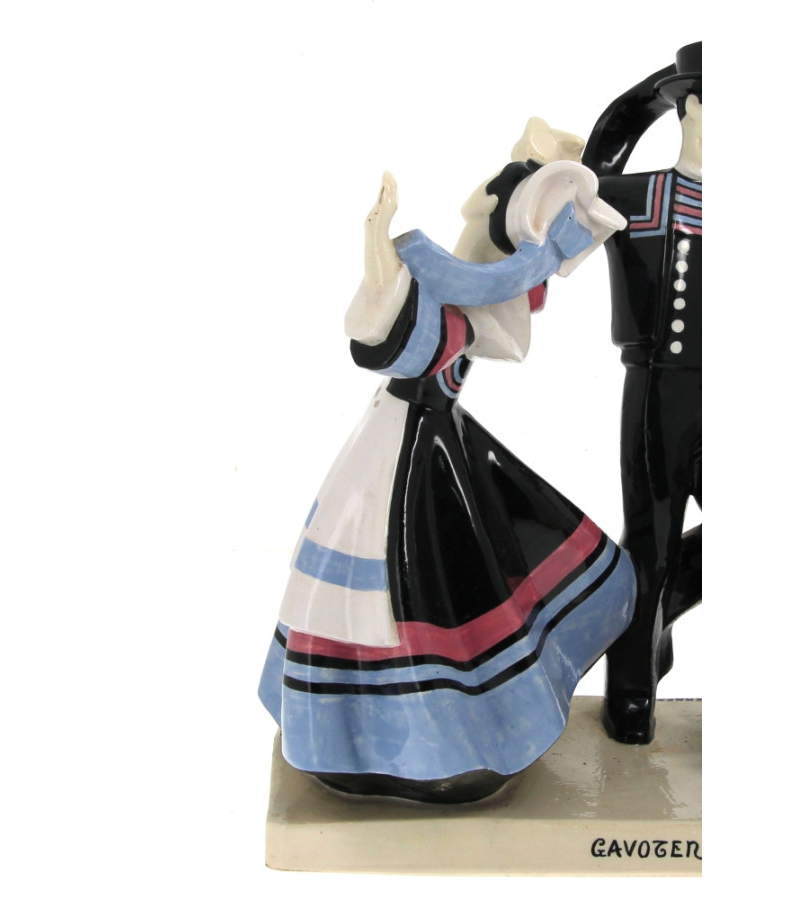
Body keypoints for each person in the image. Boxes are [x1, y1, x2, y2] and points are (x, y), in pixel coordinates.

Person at [259, 123, 635, 802]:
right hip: (398, 456)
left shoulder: (465, 306)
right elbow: (380, 339)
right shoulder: (437, 297)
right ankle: (387, 739)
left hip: (427, 447)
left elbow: (465, 326)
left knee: (448, 585)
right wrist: (379, 251)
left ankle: (447, 736)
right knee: (400, 594)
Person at [582, 42, 703, 745]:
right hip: (655, 390)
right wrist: (652, 93)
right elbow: (585, 178)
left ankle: (665, 607)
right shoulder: (639, 197)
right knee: (648, 539)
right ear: (693, 111)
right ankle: (631, 682)